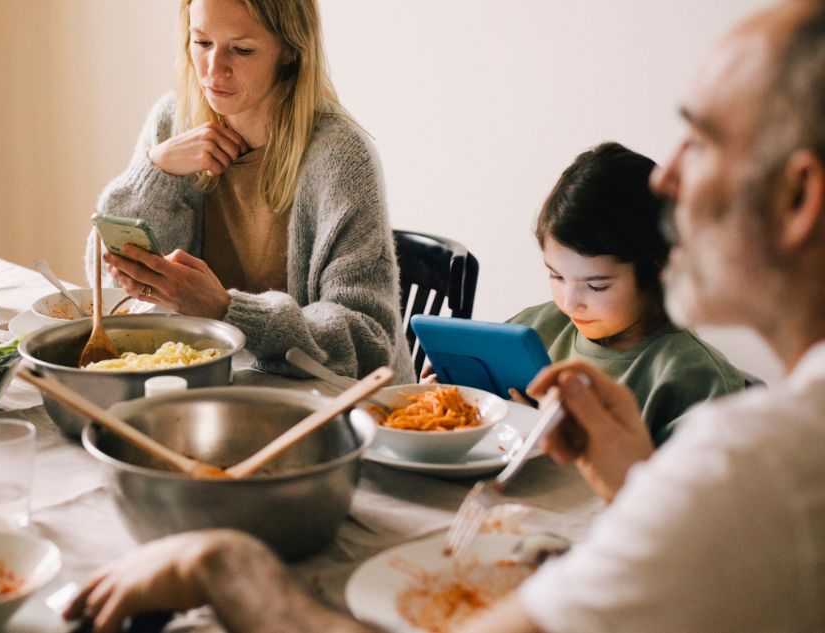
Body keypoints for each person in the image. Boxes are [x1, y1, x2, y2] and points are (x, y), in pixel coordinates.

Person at [63, 1, 825, 632]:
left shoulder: (749, 462)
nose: (668, 175)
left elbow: (363, 340)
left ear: (798, 198)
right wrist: (639, 486)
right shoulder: (758, 456)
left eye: (708, 138)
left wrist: (218, 563)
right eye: (201, 44)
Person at [88, 0, 414, 383]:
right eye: (201, 42)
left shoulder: (341, 156)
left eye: (241, 49)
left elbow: (365, 340)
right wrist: (156, 168)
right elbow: (113, 289)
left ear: (290, 51)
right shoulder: (174, 121)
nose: (213, 69)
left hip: (338, 407)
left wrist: (227, 309)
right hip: (215, 388)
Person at [508, 141, 746, 444]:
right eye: (556, 276)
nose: (570, 303)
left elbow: (675, 490)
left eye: (596, 286)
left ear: (655, 268)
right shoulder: (535, 329)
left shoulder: (691, 381)